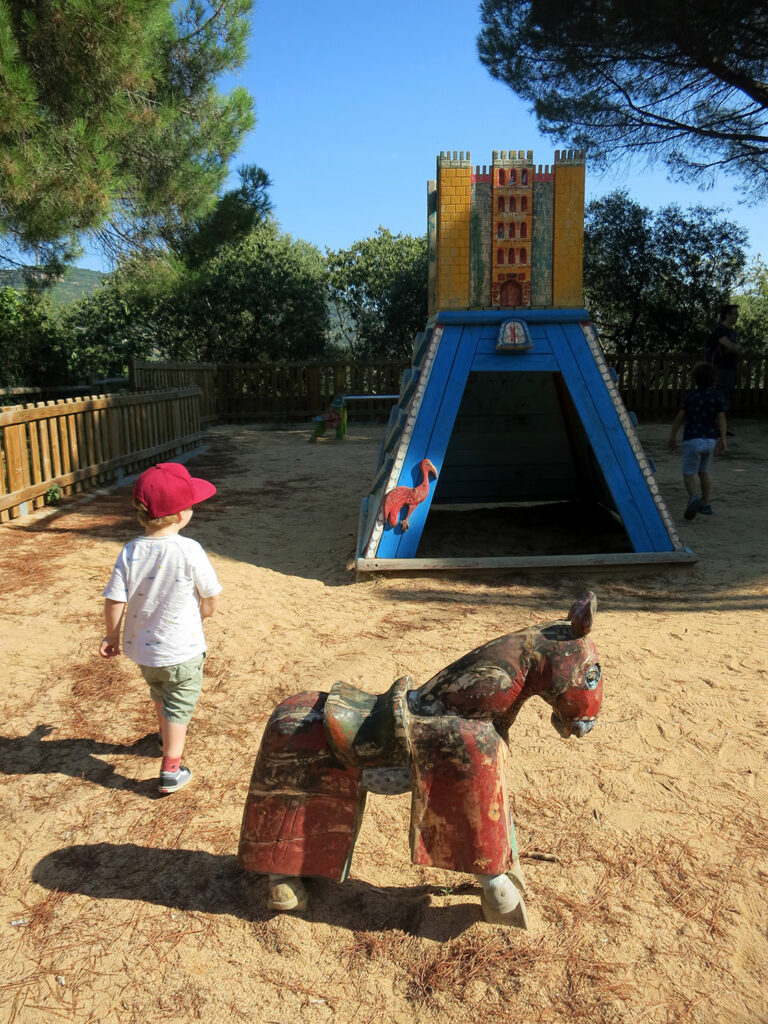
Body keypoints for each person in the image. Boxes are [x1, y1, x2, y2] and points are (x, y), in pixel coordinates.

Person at [99, 462, 222, 794]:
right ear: (181, 514)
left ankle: (161, 736)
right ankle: (171, 768)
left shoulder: (130, 551)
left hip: (145, 653)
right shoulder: (189, 549)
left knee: (160, 694)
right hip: (182, 650)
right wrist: (205, 613)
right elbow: (210, 595)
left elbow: (114, 599)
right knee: (179, 703)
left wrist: (112, 637)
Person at [668, 362, 727, 520]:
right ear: (714, 379)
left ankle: (694, 497)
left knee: (688, 473)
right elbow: (721, 418)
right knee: (703, 472)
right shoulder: (717, 396)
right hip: (710, 440)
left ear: (695, 379)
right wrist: (723, 439)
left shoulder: (691, 396)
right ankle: (706, 503)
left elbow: (680, 417)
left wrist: (672, 436)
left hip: (693, 439)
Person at [706, 304, 744, 412]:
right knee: (719, 397)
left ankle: (722, 427)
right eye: (735, 313)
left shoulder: (732, 332)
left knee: (726, 398)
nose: (737, 316)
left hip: (731, 368)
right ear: (727, 315)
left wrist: (733, 348)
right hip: (719, 369)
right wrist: (733, 347)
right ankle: (715, 426)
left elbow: (739, 349)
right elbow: (731, 346)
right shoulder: (719, 330)